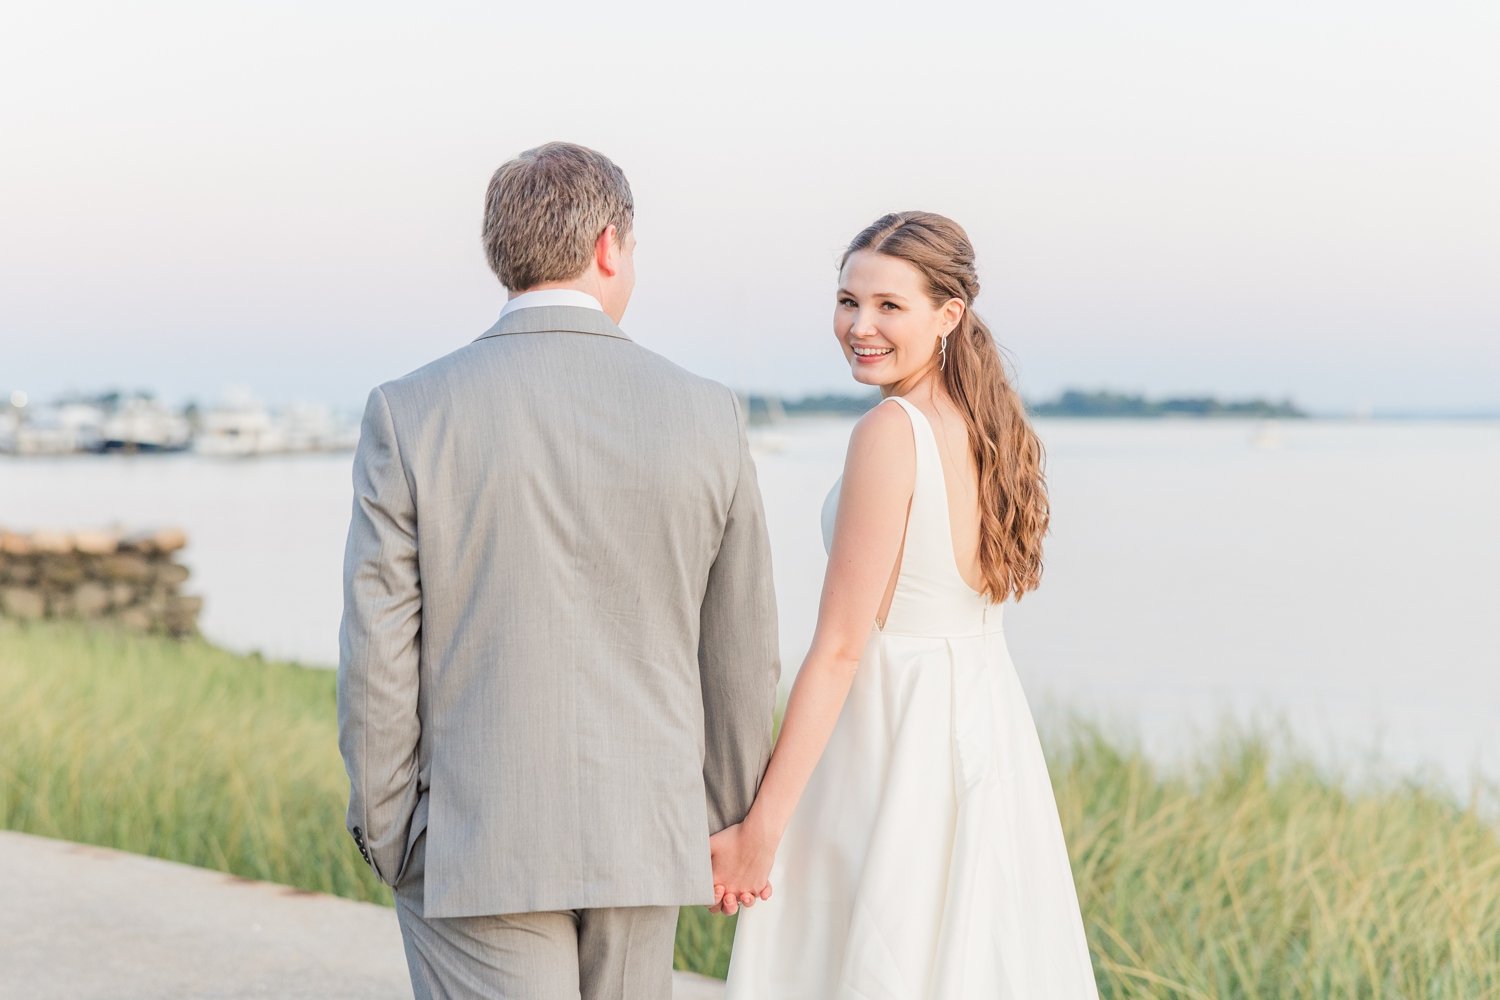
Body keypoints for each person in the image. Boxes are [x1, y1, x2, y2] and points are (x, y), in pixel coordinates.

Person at [336, 140, 781, 1000]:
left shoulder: (411, 412)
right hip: (648, 835)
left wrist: (388, 831)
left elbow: (377, 653)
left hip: (477, 835)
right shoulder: (709, 414)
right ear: (611, 245)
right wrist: (728, 819)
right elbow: (740, 651)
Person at [712, 212, 1101, 997]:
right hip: (983, 725)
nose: (861, 326)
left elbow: (841, 648)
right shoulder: (991, 426)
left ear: (947, 315)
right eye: (848, 301)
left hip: (896, 735)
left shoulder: (892, 431)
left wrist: (762, 831)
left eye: (890, 306)